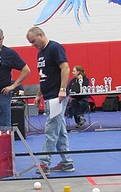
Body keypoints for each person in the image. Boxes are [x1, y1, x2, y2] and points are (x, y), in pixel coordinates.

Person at [26, 27, 74, 175]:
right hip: (48, 95)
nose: (33, 45)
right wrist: (38, 95)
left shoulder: (54, 47)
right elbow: (44, 76)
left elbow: (65, 67)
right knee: (59, 129)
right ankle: (67, 162)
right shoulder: (40, 53)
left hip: (56, 96)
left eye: (33, 41)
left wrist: (62, 89)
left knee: (51, 128)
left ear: (41, 35)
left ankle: (44, 163)